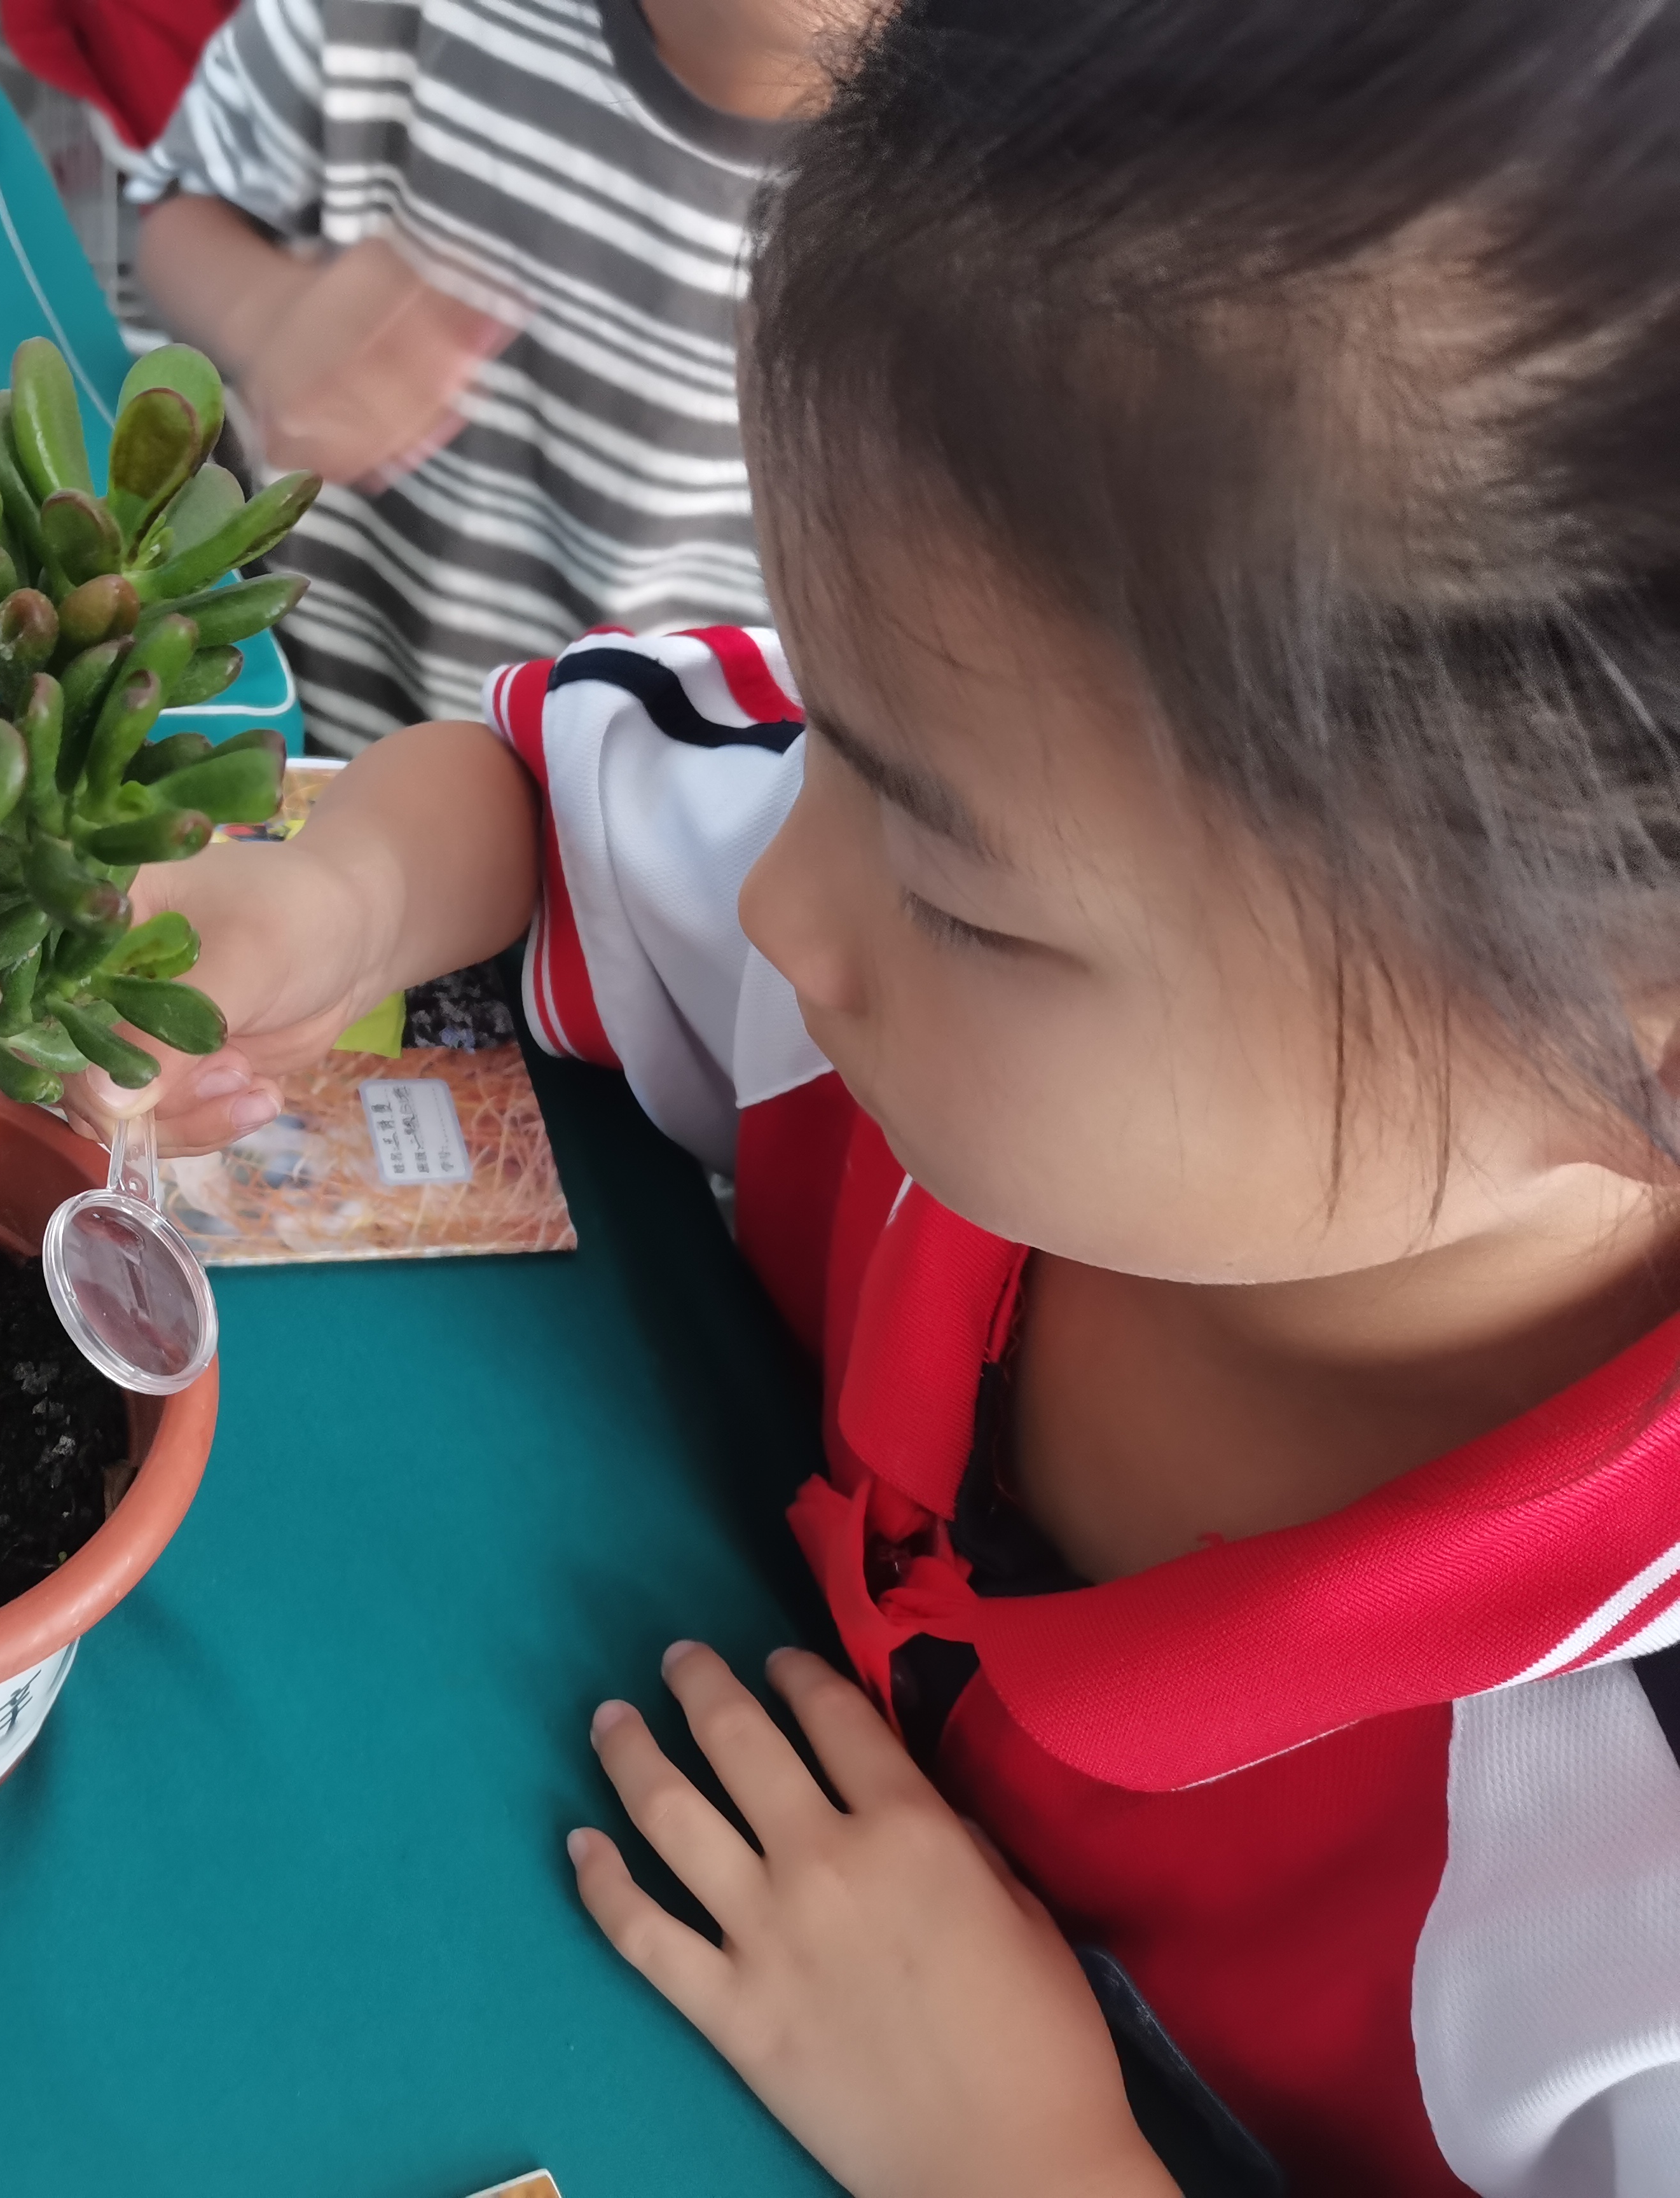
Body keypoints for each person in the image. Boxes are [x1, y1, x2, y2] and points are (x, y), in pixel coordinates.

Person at [86, 0, 1680, 2186]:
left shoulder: (1624, 1895)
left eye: (958, 891)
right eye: (836, 736)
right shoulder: (948, 971)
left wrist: (1026, 2154)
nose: (783, 903)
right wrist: (332, 897)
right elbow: (558, 794)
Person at [121, 0, 848, 754]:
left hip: (616, 793)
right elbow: (181, 202)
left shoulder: (929, 226)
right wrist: (264, 312)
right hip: (270, 705)